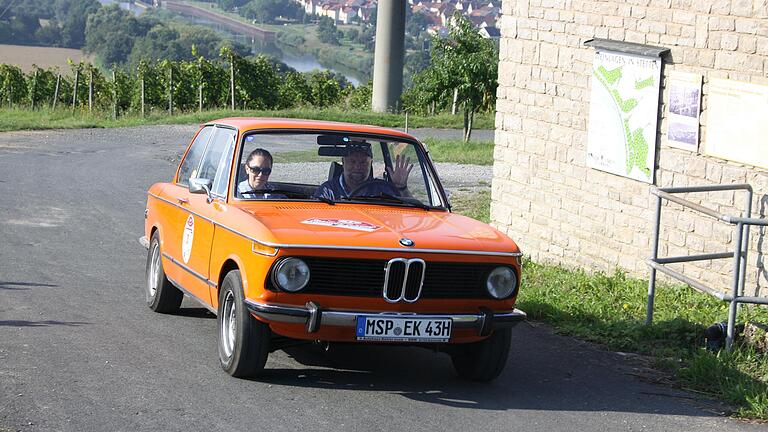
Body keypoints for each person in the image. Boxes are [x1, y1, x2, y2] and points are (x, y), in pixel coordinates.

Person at [314, 142, 413, 201]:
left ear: (371, 164)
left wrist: (402, 188)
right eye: (352, 162)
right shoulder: (327, 191)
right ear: (343, 162)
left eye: (363, 162)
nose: (357, 166)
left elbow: (411, 211)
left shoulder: (383, 189)